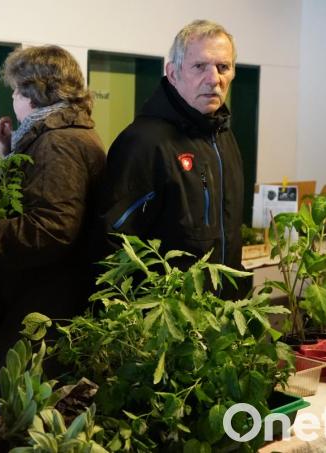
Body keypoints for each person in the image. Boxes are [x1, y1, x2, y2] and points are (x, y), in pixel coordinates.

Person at [0, 45, 106, 399]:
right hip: (41, 304)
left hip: (36, 308)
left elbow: (49, 229)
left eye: (15, 90)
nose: (13, 99)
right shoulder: (66, 135)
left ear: (33, 94)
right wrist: (5, 158)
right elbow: (31, 197)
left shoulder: (58, 143)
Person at [95, 19, 248, 296]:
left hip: (221, 315)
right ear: (173, 72)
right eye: (200, 66)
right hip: (168, 323)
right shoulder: (144, 143)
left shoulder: (223, 137)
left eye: (223, 67)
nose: (214, 79)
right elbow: (115, 246)